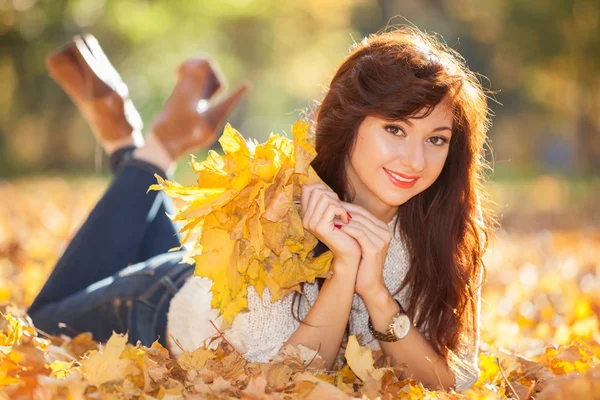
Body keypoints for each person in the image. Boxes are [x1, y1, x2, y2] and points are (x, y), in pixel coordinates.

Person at [28, 26, 492, 392]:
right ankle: (154, 149)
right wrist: (344, 269)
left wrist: (375, 293)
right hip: (157, 307)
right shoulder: (277, 207)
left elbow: (451, 381)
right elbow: (283, 378)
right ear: (349, 124)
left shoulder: (443, 229)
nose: (415, 160)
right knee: (39, 323)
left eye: (436, 139)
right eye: (395, 130)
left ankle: (129, 145)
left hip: (212, 279)